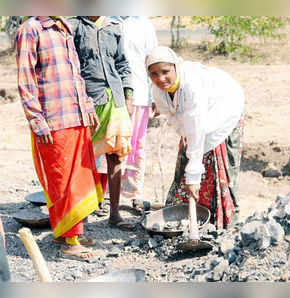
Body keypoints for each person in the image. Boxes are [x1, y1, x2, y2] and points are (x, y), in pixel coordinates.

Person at [15, 16, 103, 260]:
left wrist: (87, 105)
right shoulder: (31, 28)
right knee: (61, 180)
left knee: (79, 178)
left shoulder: (63, 25)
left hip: (75, 114)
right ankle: (70, 242)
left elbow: (76, 74)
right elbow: (25, 79)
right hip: (53, 119)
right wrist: (36, 119)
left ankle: (68, 231)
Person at [146, 46, 245, 229]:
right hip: (196, 120)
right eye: (154, 74)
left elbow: (197, 130)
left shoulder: (192, 86)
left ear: (176, 67)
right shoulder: (158, 90)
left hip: (224, 108)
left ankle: (223, 223)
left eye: (165, 71)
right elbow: (179, 122)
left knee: (214, 160)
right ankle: (187, 218)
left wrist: (193, 179)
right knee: (189, 153)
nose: (160, 78)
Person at [68, 16, 134, 230]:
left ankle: (114, 213)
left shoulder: (114, 27)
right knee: (83, 159)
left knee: (115, 156)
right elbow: (71, 66)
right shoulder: (74, 26)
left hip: (115, 100)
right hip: (87, 101)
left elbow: (123, 63)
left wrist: (128, 96)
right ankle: (82, 212)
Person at [112, 16, 158, 205]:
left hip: (140, 93)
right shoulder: (106, 19)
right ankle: (108, 195)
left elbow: (153, 61)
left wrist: (155, 95)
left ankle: (131, 193)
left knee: (136, 146)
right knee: (112, 145)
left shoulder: (144, 24)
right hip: (111, 95)